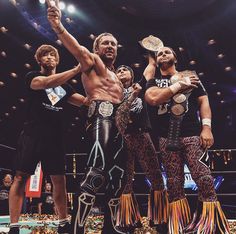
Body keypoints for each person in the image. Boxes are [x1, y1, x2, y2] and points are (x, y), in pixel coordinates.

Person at [46, 1, 141, 233]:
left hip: (119, 123)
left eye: (113, 44)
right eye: (105, 43)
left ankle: (110, 226)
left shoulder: (117, 77)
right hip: (101, 116)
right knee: (96, 171)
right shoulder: (92, 62)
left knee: (117, 177)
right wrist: (58, 25)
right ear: (97, 48)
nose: (110, 46)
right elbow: (77, 48)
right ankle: (77, 228)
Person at [145, 46, 230, 233]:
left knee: (205, 179)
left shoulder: (190, 75)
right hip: (166, 139)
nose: (163, 54)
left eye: (167, 52)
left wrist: (206, 127)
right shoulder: (154, 80)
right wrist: (178, 85)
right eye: (159, 53)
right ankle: (178, 226)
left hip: (192, 134)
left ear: (175, 57)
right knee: (174, 184)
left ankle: (209, 226)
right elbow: (152, 99)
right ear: (156, 60)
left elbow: (203, 101)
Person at [8, 44, 88, 234]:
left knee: (59, 181)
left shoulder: (65, 88)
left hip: (55, 137)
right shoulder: (33, 77)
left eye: (53, 54)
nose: (50, 57)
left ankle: (63, 222)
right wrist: (77, 69)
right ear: (39, 60)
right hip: (32, 134)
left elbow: (84, 102)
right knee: (20, 177)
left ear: (57, 60)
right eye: (45, 54)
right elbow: (44, 84)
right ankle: (14, 226)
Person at [115, 65, 168, 233]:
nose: (122, 71)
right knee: (125, 179)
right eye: (119, 70)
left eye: (125, 69)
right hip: (122, 137)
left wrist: (151, 55)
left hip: (142, 135)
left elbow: (149, 69)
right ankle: (128, 220)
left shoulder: (140, 86)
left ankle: (160, 218)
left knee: (155, 174)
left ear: (132, 74)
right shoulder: (111, 92)